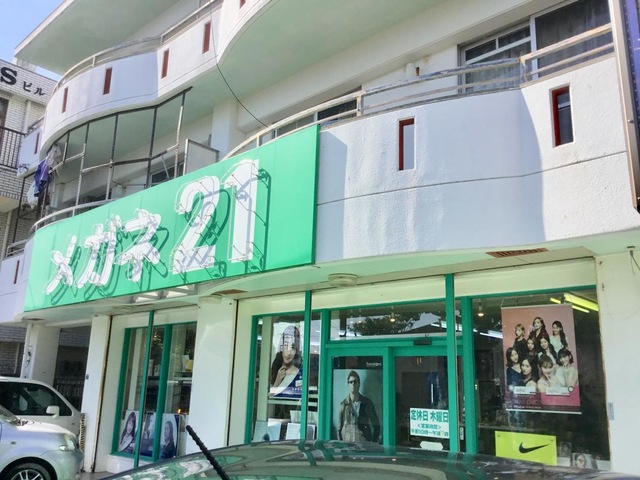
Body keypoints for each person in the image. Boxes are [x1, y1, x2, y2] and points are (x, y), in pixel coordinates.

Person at [337, 370, 380, 443]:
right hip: (348, 444)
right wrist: (341, 445)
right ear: (348, 385)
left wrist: (373, 444)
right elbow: (339, 430)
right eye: (350, 382)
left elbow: (376, 425)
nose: (353, 384)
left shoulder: (367, 403)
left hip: (364, 444)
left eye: (355, 382)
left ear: (359, 384)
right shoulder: (343, 405)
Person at [270, 325, 303, 398]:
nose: (288, 353)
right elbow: (269, 398)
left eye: (293, 347)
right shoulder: (275, 368)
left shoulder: (300, 372)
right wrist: (278, 380)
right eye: (285, 345)